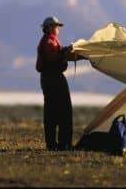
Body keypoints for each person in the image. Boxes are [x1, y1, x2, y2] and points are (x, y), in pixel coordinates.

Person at [35, 16, 85, 150]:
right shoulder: (49, 41)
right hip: (53, 78)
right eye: (57, 26)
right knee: (63, 111)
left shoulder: (50, 40)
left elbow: (57, 55)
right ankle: (63, 144)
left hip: (50, 78)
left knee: (53, 111)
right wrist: (65, 51)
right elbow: (54, 57)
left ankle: (55, 143)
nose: (58, 29)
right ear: (50, 27)